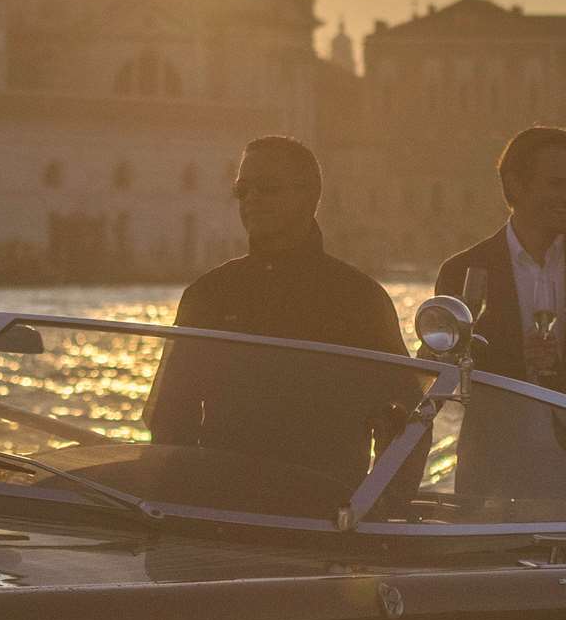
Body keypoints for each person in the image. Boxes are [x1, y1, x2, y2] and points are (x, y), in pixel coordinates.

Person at [145, 136, 405, 483]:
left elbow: (401, 422)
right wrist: (182, 495)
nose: (251, 200)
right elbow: (171, 416)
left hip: (325, 513)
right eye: (242, 191)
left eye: (267, 188)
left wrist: (382, 505)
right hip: (220, 505)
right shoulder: (208, 294)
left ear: (310, 196)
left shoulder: (360, 299)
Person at [430, 124, 566, 405]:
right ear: (515, 185)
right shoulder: (460, 272)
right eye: (556, 184)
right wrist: (517, 358)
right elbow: (449, 370)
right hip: (496, 442)